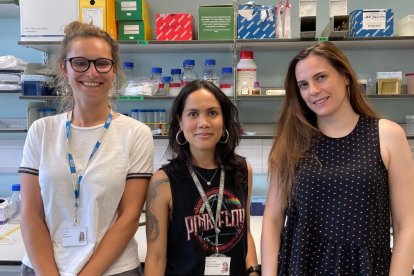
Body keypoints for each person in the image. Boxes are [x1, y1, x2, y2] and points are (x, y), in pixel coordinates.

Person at [261, 41, 414, 275]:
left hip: (364, 268)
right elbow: (272, 221)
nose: (312, 90)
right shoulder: (291, 142)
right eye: (303, 85)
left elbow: (407, 224)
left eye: (320, 77)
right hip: (301, 266)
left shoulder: (387, 135)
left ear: (345, 76)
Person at [18, 21, 153, 276]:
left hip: (114, 270)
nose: (92, 73)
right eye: (80, 62)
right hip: (43, 267)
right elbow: (31, 214)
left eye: (102, 63)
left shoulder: (136, 133)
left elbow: (128, 218)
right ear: (64, 67)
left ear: (113, 70)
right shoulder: (41, 131)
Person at [144, 80, 260, 276]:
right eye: (193, 114)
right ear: (181, 121)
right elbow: (156, 258)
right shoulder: (163, 182)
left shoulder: (242, 170)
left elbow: (245, 233)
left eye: (212, 113)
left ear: (224, 119)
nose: (203, 123)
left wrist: (254, 271)